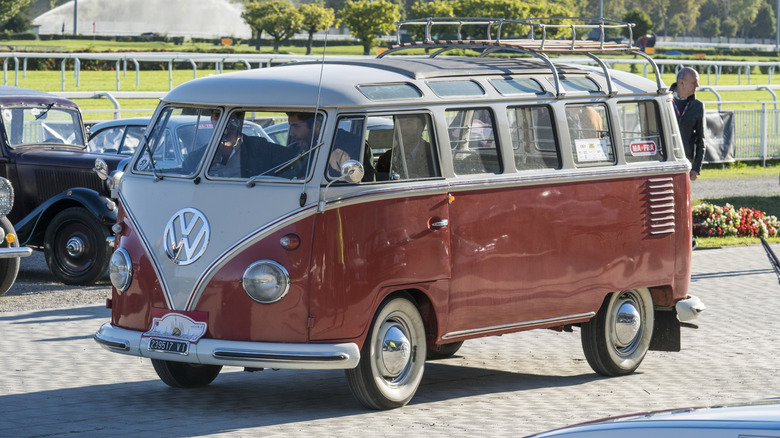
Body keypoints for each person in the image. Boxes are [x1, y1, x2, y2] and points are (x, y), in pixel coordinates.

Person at [670, 67, 705, 181]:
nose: (697, 86)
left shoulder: (697, 106)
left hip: (686, 163)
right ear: (681, 83)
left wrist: (696, 168)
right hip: (665, 162)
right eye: (694, 82)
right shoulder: (663, 100)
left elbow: (701, 140)